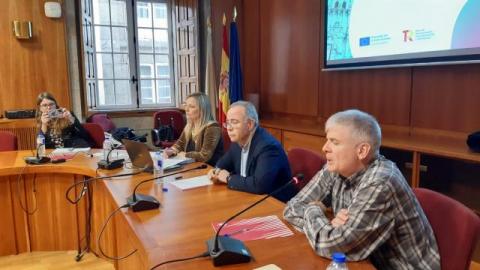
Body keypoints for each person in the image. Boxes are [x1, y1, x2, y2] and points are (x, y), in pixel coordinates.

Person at [283, 109, 440, 269]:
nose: (325, 148)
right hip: (364, 261)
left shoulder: (380, 182)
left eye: (334, 142)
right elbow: (292, 208)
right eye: (327, 140)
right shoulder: (337, 167)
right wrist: (329, 226)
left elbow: (332, 246)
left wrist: (314, 210)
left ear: (362, 151)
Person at [208, 101, 295, 202]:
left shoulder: (268, 147)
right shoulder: (238, 141)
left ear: (249, 124)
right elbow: (222, 164)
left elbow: (259, 185)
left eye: (234, 122)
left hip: (274, 203)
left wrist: (228, 178)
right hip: (247, 197)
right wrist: (215, 172)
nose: (229, 128)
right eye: (227, 123)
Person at [163, 92, 223, 166]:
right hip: (193, 166)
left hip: (209, 169)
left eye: (191, 106)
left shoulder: (212, 127)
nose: (187, 109)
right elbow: (179, 144)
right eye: (186, 105)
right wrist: (171, 151)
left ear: (202, 109)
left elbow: (204, 156)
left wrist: (185, 154)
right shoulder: (190, 126)